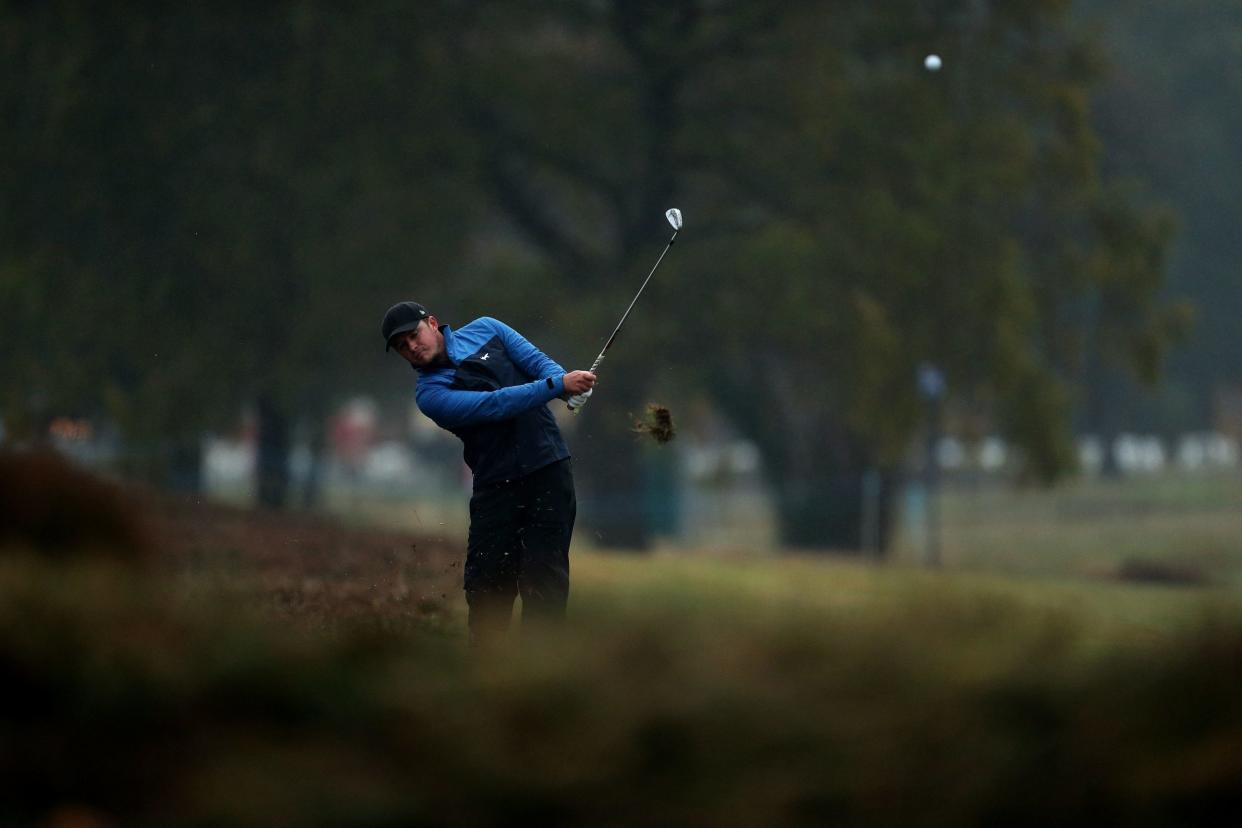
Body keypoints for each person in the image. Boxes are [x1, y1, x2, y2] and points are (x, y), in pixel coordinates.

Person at [381, 301, 596, 647]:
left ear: (432, 323)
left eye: (413, 336)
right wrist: (557, 386)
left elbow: (537, 363)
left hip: (547, 469)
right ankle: (488, 679)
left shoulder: (488, 329)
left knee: (545, 581)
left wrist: (570, 386)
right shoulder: (430, 395)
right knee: (487, 591)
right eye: (402, 347)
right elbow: (494, 405)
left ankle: (542, 676)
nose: (412, 348)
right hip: (497, 487)